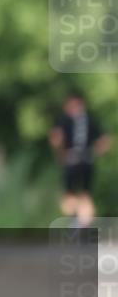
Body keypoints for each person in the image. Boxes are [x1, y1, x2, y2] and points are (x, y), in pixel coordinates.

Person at [49, 90, 112, 228]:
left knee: (69, 194)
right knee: (85, 194)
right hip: (87, 160)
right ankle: (84, 223)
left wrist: (60, 154)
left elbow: (56, 139)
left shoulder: (64, 120)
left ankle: (76, 221)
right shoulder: (90, 119)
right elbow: (105, 141)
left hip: (72, 160)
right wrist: (95, 153)